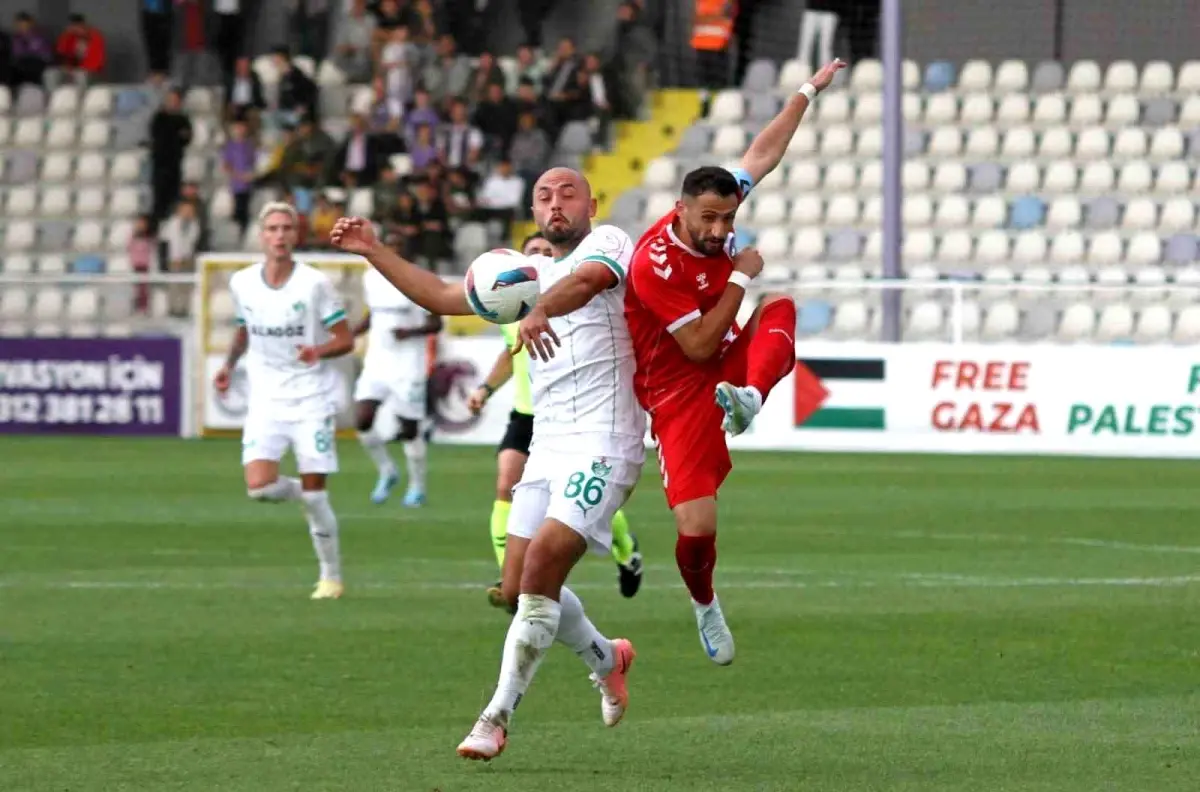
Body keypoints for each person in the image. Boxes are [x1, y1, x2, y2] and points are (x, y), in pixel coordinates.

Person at [331, 166, 642, 762]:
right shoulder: (521, 273)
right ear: (534, 210)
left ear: (591, 204)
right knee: (519, 585)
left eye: (568, 193)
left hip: (606, 438)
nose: (556, 203)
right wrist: (373, 250)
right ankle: (608, 658)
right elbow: (445, 297)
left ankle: (494, 718)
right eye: (544, 196)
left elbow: (586, 284)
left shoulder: (608, 244)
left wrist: (539, 307)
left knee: (546, 565)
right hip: (548, 443)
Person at [623, 57, 847, 666]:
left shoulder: (722, 215)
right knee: (696, 529)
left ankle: (751, 397)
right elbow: (694, 346)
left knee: (783, 307)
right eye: (710, 219)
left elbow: (763, 153)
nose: (722, 230)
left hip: (727, 372)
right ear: (679, 211)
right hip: (676, 391)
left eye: (729, 217)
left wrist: (806, 90)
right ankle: (704, 604)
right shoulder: (653, 264)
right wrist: (739, 280)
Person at [468, 231, 643, 608]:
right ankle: (508, 576)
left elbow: (588, 283)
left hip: (578, 420)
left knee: (576, 508)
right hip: (528, 416)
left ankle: (625, 549)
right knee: (505, 486)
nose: (538, 260)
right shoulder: (509, 305)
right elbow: (507, 353)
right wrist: (484, 389)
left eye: (544, 254)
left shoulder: (575, 296)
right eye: (531, 254)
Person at [214, 202, 354, 600]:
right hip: (266, 400)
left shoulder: (314, 284)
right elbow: (244, 329)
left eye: (286, 228)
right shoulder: (242, 283)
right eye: (272, 228)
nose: (279, 235)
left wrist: (317, 351)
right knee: (259, 487)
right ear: (262, 236)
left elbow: (344, 338)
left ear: (296, 235)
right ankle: (304, 493)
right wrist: (227, 364)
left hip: (311, 399)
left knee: (317, 496)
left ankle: (331, 577)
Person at [352, 265, 442, 506]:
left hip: (408, 365)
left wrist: (410, 332)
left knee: (409, 429)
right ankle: (387, 470)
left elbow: (436, 323)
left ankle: (417, 486)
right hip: (377, 362)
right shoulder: (371, 277)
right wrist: (353, 332)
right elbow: (373, 314)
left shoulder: (417, 278)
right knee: (362, 419)